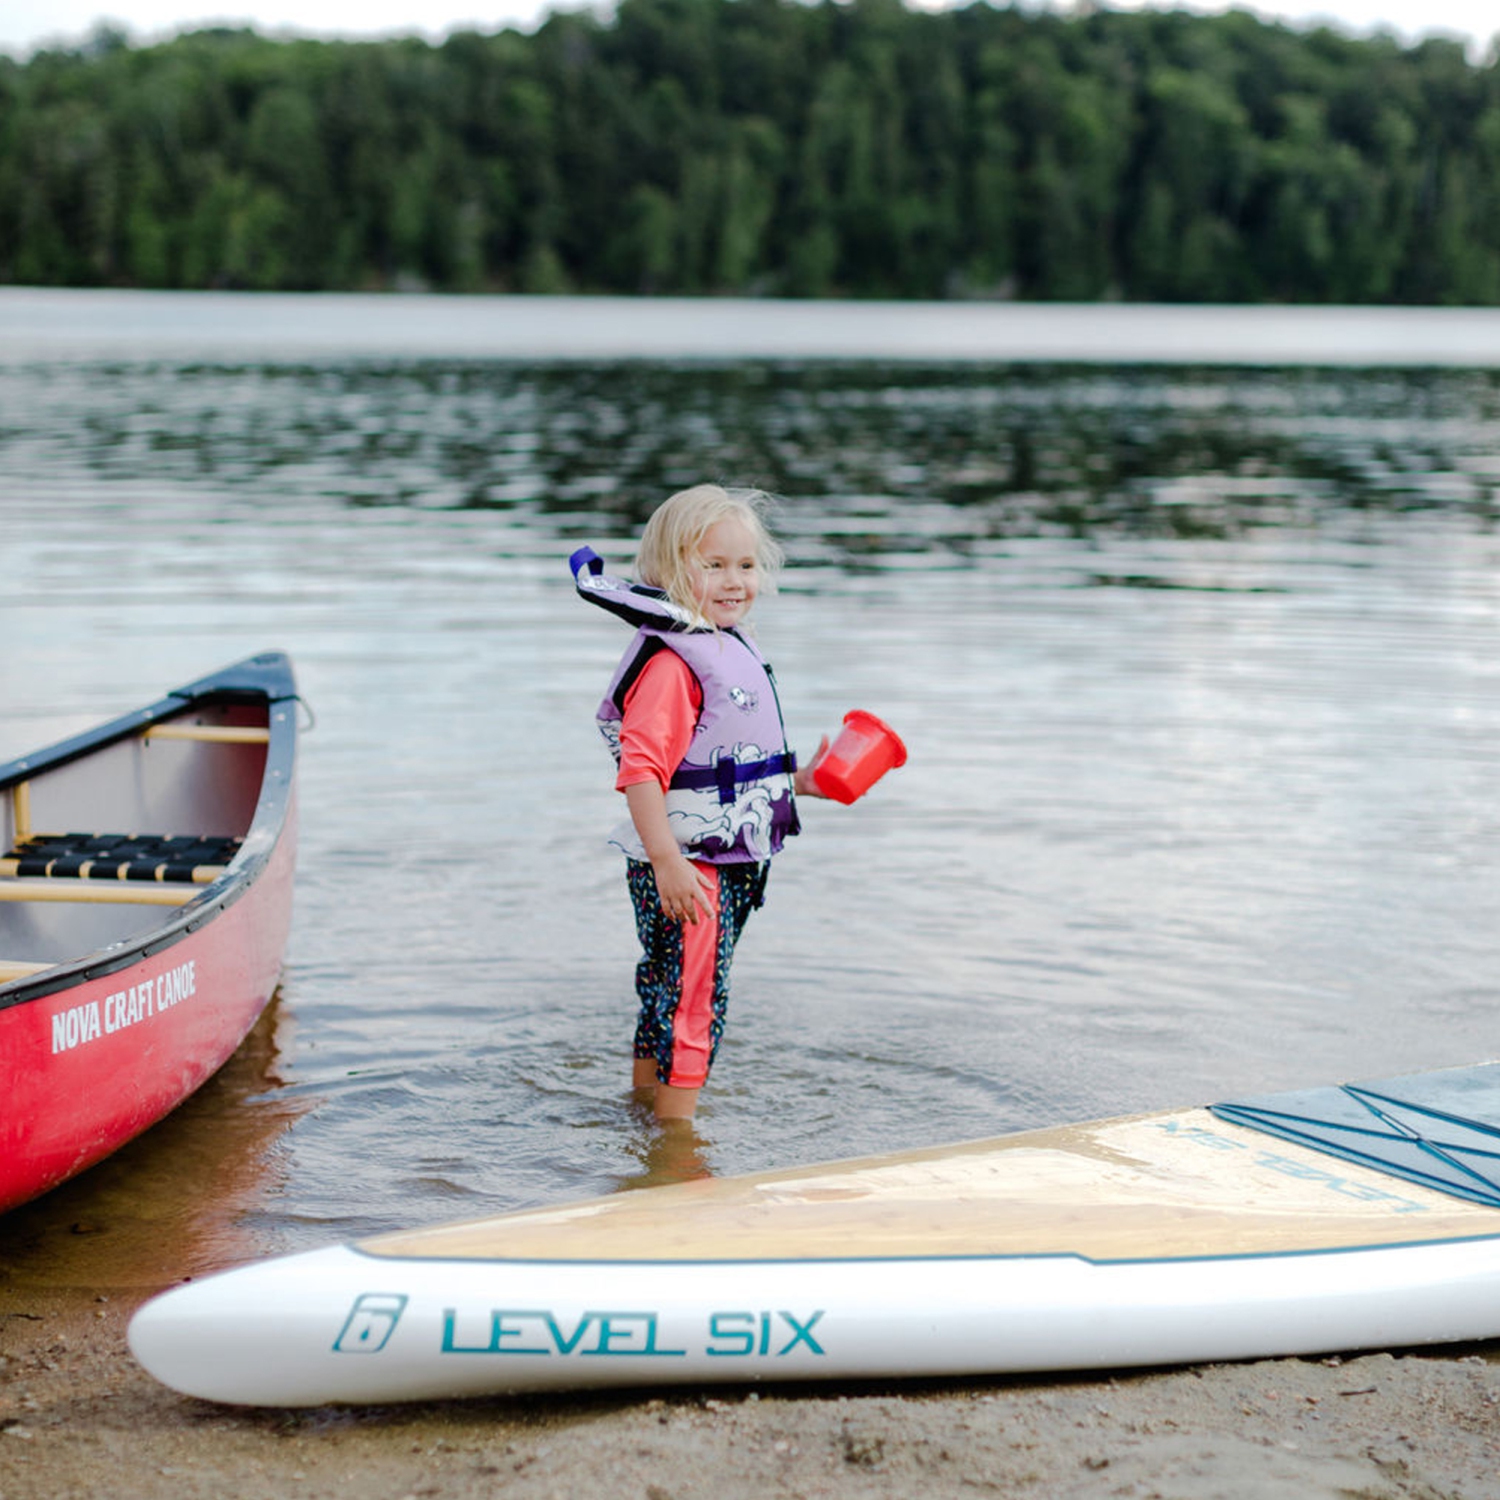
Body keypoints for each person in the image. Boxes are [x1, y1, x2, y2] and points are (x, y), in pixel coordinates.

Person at [570, 484, 828, 1123]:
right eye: (712, 565)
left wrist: (799, 781)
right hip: (692, 868)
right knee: (695, 999)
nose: (734, 581)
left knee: (667, 987)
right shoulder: (673, 665)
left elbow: (716, 766)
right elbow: (643, 773)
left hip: (705, 862)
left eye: (745, 565)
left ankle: (643, 1112)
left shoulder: (723, 644)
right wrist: (667, 862)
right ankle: (677, 1151)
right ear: (665, 573)